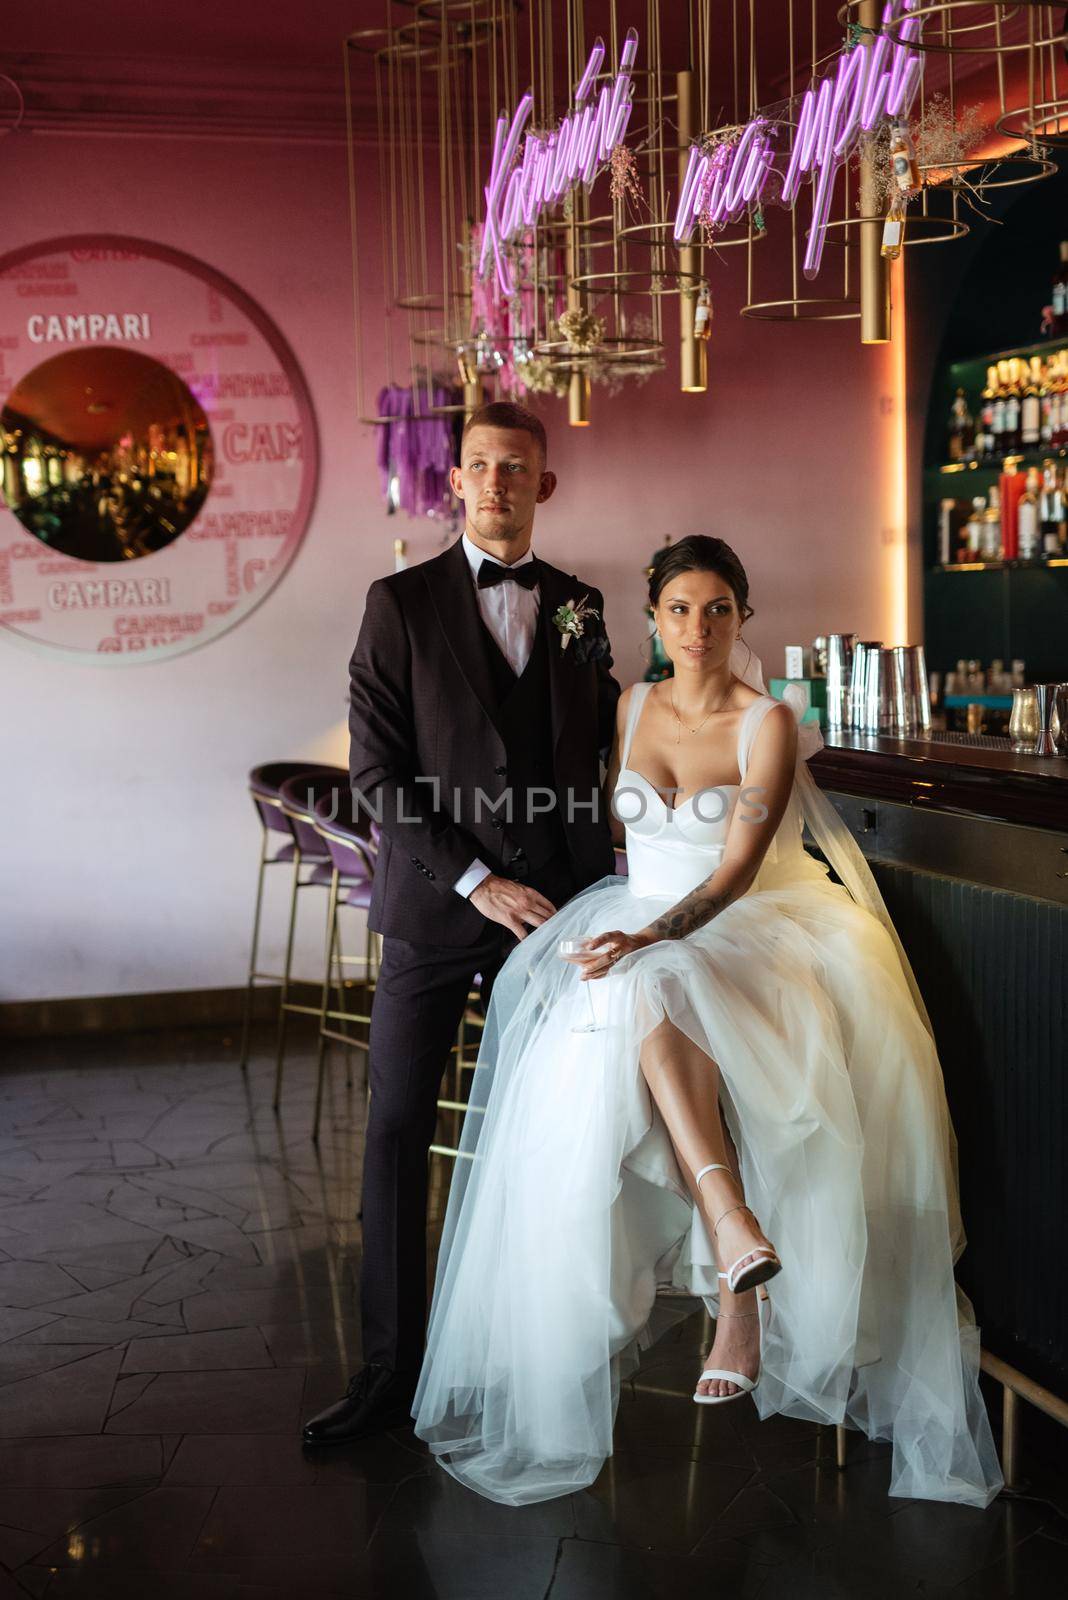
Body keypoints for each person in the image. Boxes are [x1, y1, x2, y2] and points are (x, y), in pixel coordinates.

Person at [412, 534, 1003, 1510]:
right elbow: (613, 831)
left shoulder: (769, 719)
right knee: (638, 993)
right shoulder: (629, 705)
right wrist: (621, 925)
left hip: (749, 929)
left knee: (653, 980)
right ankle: (736, 1245)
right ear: (652, 619)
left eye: (718, 608)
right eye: (680, 609)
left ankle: (735, 1256)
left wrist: (651, 934)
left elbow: (731, 874)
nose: (698, 627)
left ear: (743, 617)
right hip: (644, 920)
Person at [302, 402, 620, 1446]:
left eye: (517, 467)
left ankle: (531, 1364)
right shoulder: (396, 605)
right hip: (442, 914)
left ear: (545, 486)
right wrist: (477, 880)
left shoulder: (581, 605)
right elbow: (378, 775)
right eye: (480, 465)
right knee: (397, 1131)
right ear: (456, 483)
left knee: (553, 1142)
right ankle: (389, 1374)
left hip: (560, 916)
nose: (497, 482)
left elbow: (600, 749)